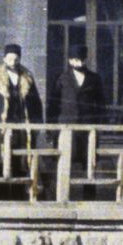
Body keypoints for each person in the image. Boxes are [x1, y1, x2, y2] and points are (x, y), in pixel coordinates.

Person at [48, 44, 108, 191]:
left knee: (89, 163)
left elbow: (101, 104)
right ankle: (61, 195)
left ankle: (89, 198)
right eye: (75, 60)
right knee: (64, 162)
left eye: (81, 60)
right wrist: (51, 129)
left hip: (88, 128)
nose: (78, 63)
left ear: (85, 60)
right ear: (69, 61)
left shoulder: (94, 78)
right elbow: (53, 105)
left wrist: (100, 126)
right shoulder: (61, 78)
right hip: (66, 127)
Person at [0, 43, 42, 125]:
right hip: (0, 124)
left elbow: (36, 102)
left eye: (16, 59)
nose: (13, 63)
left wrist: (37, 123)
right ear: (4, 59)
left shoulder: (27, 77)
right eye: (10, 59)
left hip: (22, 123)